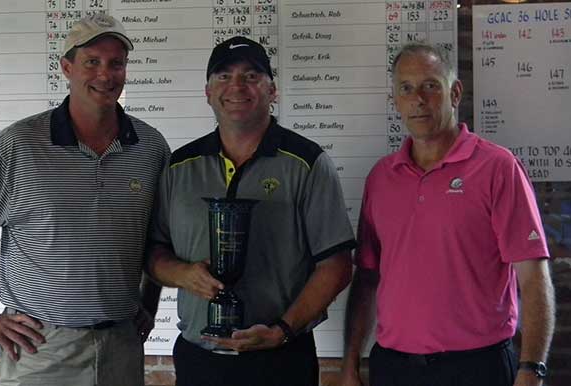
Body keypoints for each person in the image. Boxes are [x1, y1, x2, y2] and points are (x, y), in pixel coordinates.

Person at [0, 14, 169, 386]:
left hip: (121, 345)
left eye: (116, 63)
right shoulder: (19, 146)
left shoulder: (150, 147)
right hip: (41, 349)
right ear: (67, 68)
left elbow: (159, 239)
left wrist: (149, 305)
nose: (105, 75)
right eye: (92, 62)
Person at [339, 43, 555, 386]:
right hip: (395, 369)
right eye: (406, 88)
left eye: (430, 85)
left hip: (477, 368)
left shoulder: (497, 168)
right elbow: (366, 279)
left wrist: (531, 369)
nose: (418, 99)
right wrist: (349, 363)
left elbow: (533, 276)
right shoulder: (381, 178)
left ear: (454, 93)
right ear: (395, 100)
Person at [147, 36, 356, 386]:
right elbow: (153, 253)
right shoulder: (179, 166)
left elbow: (336, 265)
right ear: (208, 92)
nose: (236, 86)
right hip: (200, 360)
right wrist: (184, 275)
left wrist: (282, 330)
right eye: (224, 76)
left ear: (272, 90)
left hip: (281, 359)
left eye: (251, 76)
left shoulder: (307, 162)